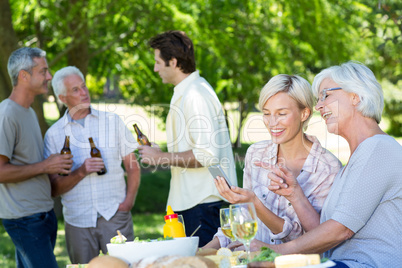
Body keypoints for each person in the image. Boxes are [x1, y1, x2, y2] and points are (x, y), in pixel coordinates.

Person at [248, 62, 402, 268]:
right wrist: (295, 194)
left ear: (355, 96)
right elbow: (324, 230)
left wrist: (277, 253)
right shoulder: (357, 158)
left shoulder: (379, 148)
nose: (319, 107)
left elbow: (341, 230)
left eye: (326, 96)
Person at [206, 74, 342, 249]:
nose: (272, 123)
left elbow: (316, 239)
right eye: (266, 114)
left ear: (304, 113)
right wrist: (200, 252)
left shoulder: (327, 168)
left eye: (281, 114)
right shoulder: (256, 154)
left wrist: (256, 204)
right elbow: (241, 224)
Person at [138, 30, 237, 247]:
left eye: (157, 62)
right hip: (196, 205)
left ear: (172, 62)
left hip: (203, 207)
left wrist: (161, 157)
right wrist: (159, 153)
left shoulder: (195, 95)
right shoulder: (188, 92)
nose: (155, 68)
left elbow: (206, 155)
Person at [43, 66, 140, 264]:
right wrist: (81, 171)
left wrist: (128, 202)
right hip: (77, 221)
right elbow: (53, 188)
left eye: (83, 86)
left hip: (115, 214)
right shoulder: (54, 135)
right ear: (62, 98)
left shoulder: (112, 121)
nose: (84, 92)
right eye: (75, 90)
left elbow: (133, 166)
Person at [0, 47, 73, 268]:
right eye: (43, 71)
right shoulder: (6, 114)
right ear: (24, 75)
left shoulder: (29, 111)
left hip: (42, 215)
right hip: (25, 219)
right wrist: (45, 165)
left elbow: (29, 163)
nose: (50, 77)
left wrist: (53, 165)